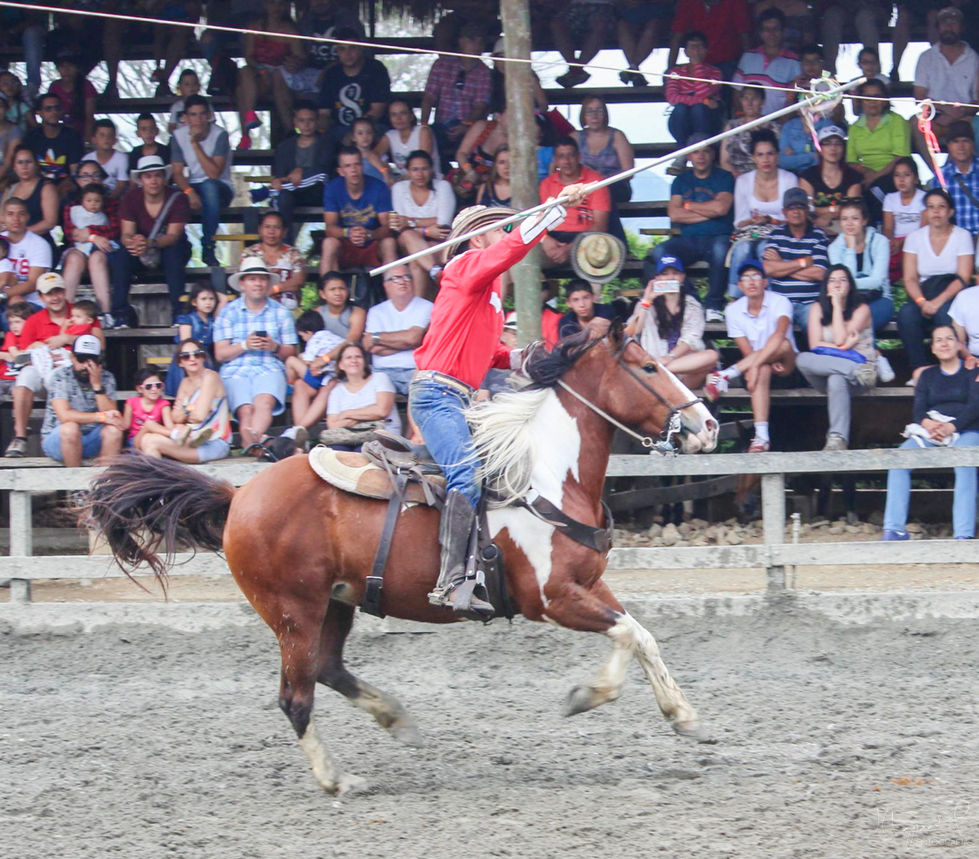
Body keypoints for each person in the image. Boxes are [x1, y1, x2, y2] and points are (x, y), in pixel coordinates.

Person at [410, 195, 583, 618]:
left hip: (458, 398)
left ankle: (483, 566)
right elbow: (507, 251)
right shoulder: (462, 268)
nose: (505, 235)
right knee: (466, 474)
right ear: (475, 238)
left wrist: (529, 356)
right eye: (497, 228)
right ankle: (451, 581)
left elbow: (492, 356)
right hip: (437, 396)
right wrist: (552, 212)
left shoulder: (485, 300)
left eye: (508, 228)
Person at [881, 325, 979, 541]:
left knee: (965, 461)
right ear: (933, 348)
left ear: (958, 344)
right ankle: (894, 529)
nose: (944, 343)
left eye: (949, 338)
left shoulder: (973, 371)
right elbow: (918, 409)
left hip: (965, 429)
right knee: (899, 460)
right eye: (938, 340)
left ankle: (963, 533)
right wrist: (928, 423)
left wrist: (951, 427)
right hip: (932, 430)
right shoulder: (927, 375)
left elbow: (975, 406)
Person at [705, 259, 798, 452]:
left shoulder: (781, 301)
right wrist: (758, 365)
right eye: (746, 278)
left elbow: (780, 334)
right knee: (762, 370)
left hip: (785, 365)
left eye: (756, 276)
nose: (752, 281)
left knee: (783, 344)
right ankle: (761, 437)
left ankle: (725, 375)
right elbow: (748, 352)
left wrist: (754, 365)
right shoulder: (733, 310)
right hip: (759, 366)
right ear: (739, 285)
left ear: (765, 281)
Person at [213, 258, 298, 453]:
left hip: (269, 366)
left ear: (268, 283)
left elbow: (291, 352)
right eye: (252, 279)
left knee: (264, 402)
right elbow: (220, 354)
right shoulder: (228, 312)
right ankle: (257, 444)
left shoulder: (281, 312)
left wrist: (274, 346)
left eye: (261, 279)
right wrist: (244, 345)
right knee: (246, 410)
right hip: (235, 369)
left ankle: (250, 443)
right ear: (242, 284)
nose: (258, 284)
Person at [796, 265, 877, 451]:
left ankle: (837, 439)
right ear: (826, 285)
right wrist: (846, 347)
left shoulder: (861, 309)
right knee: (801, 358)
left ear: (850, 285)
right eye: (832, 280)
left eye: (842, 280)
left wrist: (837, 306)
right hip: (852, 371)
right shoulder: (816, 308)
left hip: (860, 376)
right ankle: (854, 371)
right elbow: (815, 345)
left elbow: (839, 338)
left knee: (836, 379)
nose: (837, 284)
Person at [653, 135, 734, 321]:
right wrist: (709, 212)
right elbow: (674, 214)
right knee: (661, 252)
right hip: (688, 240)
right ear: (688, 155)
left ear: (713, 154)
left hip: (717, 236)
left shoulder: (724, 177)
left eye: (705, 151)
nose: (701, 156)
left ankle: (713, 305)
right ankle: (692, 299)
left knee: (721, 251)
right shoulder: (681, 181)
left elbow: (721, 208)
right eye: (696, 151)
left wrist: (688, 206)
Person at [898, 188, 975, 382]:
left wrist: (936, 303)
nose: (936, 212)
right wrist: (922, 302)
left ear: (950, 211)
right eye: (931, 207)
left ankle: (951, 371)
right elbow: (909, 278)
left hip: (952, 293)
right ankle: (920, 370)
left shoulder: (962, 236)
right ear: (925, 212)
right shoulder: (914, 238)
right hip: (924, 293)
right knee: (907, 315)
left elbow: (963, 277)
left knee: (945, 315)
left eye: (941, 207)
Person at [3, 271, 76, 457]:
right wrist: (42, 349)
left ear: (64, 292)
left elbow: (97, 344)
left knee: (58, 376)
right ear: (41, 297)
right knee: (24, 378)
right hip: (42, 369)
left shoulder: (78, 313)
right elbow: (24, 358)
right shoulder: (34, 320)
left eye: (58, 291)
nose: (54, 297)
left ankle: (60, 436)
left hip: (71, 373)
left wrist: (67, 338)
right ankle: (20, 437)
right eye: (49, 293)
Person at [625, 256, 719, 388]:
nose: (670, 277)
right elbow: (634, 331)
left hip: (680, 371)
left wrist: (670, 358)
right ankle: (656, 370)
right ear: (657, 278)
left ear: (682, 277)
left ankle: (657, 369)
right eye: (665, 274)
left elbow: (690, 339)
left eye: (675, 273)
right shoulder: (647, 304)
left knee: (711, 355)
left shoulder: (692, 305)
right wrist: (646, 301)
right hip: (654, 370)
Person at [120, 155, 192, 323]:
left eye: (158, 175)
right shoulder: (130, 198)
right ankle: (120, 313)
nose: (153, 181)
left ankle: (178, 314)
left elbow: (174, 236)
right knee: (121, 256)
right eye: (148, 176)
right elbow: (126, 233)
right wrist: (133, 244)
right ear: (140, 180)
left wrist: (149, 243)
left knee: (173, 253)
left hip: (169, 247)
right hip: (140, 251)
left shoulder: (178, 198)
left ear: (164, 178)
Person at [141, 338, 233, 463]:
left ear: (203, 357)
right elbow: (176, 418)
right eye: (186, 356)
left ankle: (156, 481)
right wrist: (190, 411)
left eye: (197, 354)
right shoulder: (184, 383)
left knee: (151, 441)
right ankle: (158, 480)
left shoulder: (210, 377)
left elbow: (199, 416)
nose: (192, 359)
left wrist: (185, 411)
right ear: (180, 363)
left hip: (215, 442)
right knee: (147, 438)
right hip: (191, 438)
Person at [728, 130, 797, 295]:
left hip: (779, 233)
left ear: (777, 156)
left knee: (765, 250)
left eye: (770, 154)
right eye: (760, 155)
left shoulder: (789, 179)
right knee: (742, 249)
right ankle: (734, 297)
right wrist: (753, 221)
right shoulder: (744, 181)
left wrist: (771, 220)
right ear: (753, 158)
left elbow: (795, 218)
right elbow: (739, 222)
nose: (765, 159)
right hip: (750, 232)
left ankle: (772, 296)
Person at [40, 333, 123, 466]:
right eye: (81, 359)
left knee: (114, 430)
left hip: (91, 438)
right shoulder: (60, 376)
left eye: (92, 360)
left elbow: (112, 415)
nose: (86, 366)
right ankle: (75, 485)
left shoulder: (107, 378)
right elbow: (65, 415)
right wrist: (100, 417)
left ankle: (104, 482)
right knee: (70, 428)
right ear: (72, 358)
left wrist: (97, 385)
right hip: (59, 439)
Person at [170, 95, 233, 267]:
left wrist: (195, 144)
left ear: (208, 116)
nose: (198, 119)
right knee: (170, 195)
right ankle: (178, 245)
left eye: (201, 114)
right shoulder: (177, 135)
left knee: (209, 186)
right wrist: (189, 192)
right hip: (193, 185)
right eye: (193, 115)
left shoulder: (220, 134)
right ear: (186, 117)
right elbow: (177, 172)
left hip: (221, 187)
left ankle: (208, 245)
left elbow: (213, 173)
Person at [912, 7, 979, 164]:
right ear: (938, 27)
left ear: (961, 27)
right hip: (937, 117)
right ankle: (938, 177)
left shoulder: (974, 58)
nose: (949, 27)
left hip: (965, 118)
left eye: (954, 23)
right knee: (916, 124)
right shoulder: (926, 57)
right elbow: (919, 97)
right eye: (944, 23)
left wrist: (961, 110)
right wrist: (944, 110)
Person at [420, 22, 492, 163]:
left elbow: (480, 106)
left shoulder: (484, 72)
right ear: (460, 41)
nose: (476, 46)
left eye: (480, 42)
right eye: (471, 40)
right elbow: (429, 97)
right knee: (427, 146)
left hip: (468, 127)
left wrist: (465, 125)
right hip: (440, 125)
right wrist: (423, 126)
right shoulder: (442, 64)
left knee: (474, 150)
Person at [234, 0, 301, 150]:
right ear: (265, 5)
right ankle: (249, 120)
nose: (276, 8)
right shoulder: (254, 27)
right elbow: (249, 56)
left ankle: (248, 133)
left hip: (281, 78)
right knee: (244, 72)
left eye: (280, 4)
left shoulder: (290, 30)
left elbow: (300, 57)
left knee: (242, 91)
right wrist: (261, 70)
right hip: (259, 76)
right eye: (272, 3)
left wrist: (294, 62)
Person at [319, 146, 396, 275]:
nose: (354, 170)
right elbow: (329, 228)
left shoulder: (379, 187)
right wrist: (348, 232)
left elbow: (387, 227)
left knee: (389, 243)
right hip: (345, 242)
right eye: (348, 166)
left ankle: (393, 291)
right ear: (341, 171)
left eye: (357, 164)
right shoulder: (332, 188)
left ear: (362, 166)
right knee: (329, 243)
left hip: (373, 241)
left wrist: (370, 234)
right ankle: (328, 291)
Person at [388, 150, 455, 298]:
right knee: (407, 234)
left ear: (431, 170)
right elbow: (400, 226)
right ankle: (434, 270)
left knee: (416, 263)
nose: (420, 174)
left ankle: (418, 310)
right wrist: (427, 231)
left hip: (437, 243)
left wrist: (410, 222)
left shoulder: (443, 186)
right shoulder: (399, 188)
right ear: (408, 171)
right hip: (407, 242)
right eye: (415, 169)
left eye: (424, 169)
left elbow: (443, 223)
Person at [761, 187, 830, 329]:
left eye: (800, 207)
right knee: (773, 330)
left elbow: (819, 273)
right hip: (781, 302)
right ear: (784, 212)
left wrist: (781, 265)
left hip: (811, 303)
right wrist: (803, 262)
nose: (796, 212)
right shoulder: (776, 234)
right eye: (791, 208)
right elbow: (768, 268)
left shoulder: (818, 235)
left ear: (807, 211)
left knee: (816, 327)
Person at [538, 136, 611, 267]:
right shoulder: (546, 184)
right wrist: (546, 240)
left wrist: (569, 249)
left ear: (578, 156)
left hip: (586, 239)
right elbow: (541, 220)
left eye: (570, 155)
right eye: (561, 156)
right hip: (553, 239)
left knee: (597, 255)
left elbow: (600, 226)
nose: (566, 161)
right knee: (525, 256)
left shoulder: (595, 181)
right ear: (555, 160)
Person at [362, 263, 433, 396]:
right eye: (396, 278)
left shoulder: (426, 307)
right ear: (386, 285)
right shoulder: (376, 311)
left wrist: (376, 337)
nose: (402, 281)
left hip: (415, 370)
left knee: (424, 394)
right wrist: (411, 344)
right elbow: (370, 347)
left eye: (407, 277)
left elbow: (413, 338)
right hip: (382, 372)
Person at [846, 79, 910, 221]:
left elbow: (900, 156)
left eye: (877, 97)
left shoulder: (896, 121)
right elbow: (851, 161)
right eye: (867, 98)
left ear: (885, 100)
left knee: (876, 189)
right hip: (865, 173)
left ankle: (878, 225)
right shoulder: (855, 127)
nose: (872, 102)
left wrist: (875, 176)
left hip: (893, 172)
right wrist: (867, 172)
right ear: (861, 101)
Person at [269, 102, 333, 243]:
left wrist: (301, 171)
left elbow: (324, 171)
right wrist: (280, 180)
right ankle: (286, 244)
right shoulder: (285, 146)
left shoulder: (326, 143)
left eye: (310, 120)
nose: (306, 125)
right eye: (301, 121)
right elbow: (280, 174)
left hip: (317, 192)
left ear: (317, 122)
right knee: (283, 197)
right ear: (295, 123)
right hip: (293, 192)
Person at [828, 197, 894, 333]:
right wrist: (851, 249)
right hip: (848, 301)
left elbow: (877, 281)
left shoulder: (880, 242)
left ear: (864, 220)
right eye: (844, 219)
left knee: (859, 323)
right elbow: (844, 279)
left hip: (879, 299)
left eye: (855, 218)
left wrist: (849, 283)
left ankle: (868, 354)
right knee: (850, 322)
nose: (849, 223)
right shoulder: (834, 248)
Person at [316, 30, 391, 145]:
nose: (347, 54)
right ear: (337, 51)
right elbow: (324, 112)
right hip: (339, 128)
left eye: (352, 48)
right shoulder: (331, 74)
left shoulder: (376, 69)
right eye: (342, 49)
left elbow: (377, 111)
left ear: (360, 48)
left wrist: (354, 134)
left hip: (372, 127)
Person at [664, 30, 724, 173]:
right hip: (682, 120)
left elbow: (705, 92)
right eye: (692, 46)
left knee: (699, 108)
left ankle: (703, 150)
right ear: (686, 51)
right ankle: (682, 153)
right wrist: (702, 100)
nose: (696, 50)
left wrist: (698, 66)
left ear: (706, 50)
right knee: (681, 109)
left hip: (706, 119)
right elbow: (672, 97)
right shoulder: (675, 72)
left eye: (700, 46)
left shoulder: (715, 72)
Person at [282, 309, 344, 443]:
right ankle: (300, 435)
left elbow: (308, 362)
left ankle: (290, 383)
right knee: (301, 383)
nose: (304, 340)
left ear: (308, 332)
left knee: (291, 360)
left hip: (325, 378)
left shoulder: (316, 339)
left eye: (303, 336)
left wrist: (300, 360)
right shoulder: (332, 337)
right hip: (332, 376)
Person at [732, 9, 801, 117]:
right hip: (746, 123)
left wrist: (780, 125)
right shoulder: (748, 57)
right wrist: (742, 119)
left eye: (776, 29)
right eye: (766, 29)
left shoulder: (794, 62)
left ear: (784, 31)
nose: (771, 33)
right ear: (760, 33)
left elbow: (792, 100)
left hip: (777, 124)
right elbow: (736, 92)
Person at [60, 183, 115, 319]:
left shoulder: (105, 215)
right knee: (74, 259)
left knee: (97, 258)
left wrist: (89, 233)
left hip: (98, 254)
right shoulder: (73, 210)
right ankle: (65, 313)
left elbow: (113, 231)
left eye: (97, 201)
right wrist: (94, 236)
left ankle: (105, 313)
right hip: (78, 251)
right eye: (89, 201)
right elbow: (72, 233)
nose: (93, 204)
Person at [797, 126, 862, 237]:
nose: (833, 148)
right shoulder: (808, 176)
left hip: (845, 227)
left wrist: (825, 213)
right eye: (827, 143)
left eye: (838, 143)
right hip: (814, 225)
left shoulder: (853, 177)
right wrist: (835, 209)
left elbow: (852, 210)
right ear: (820, 148)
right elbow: (805, 209)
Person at [325, 341, 401, 434]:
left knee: (363, 448)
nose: (354, 360)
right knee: (336, 447)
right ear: (341, 365)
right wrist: (365, 414)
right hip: (347, 437)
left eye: (358, 356)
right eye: (348, 357)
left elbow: (382, 411)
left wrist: (346, 414)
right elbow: (332, 425)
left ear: (364, 361)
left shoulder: (380, 378)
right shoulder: (337, 391)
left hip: (382, 435)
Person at [240, 210, 307, 311]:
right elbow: (244, 282)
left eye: (277, 227)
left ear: (284, 231)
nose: (271, 231)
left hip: (288, 309)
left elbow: (298, 281)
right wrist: (284, 286)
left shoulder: (293, 253)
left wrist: (274, 289)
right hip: (255, 307)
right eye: (267, 227)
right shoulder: (250, 253)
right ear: (260, 229)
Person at [669, 0, 751, 80]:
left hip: (729, 63)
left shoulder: (735, 2)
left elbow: (744, 37)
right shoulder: (688, 2)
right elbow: (677, 37)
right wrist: (670, 70)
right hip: (698, 61)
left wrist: (749, 72)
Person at [577, 96, 635, 205]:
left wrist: (601, 180)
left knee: (602, 193)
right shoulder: (575, 137)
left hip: (614, 186)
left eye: (599, 111)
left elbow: (629, 172)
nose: (594, 116)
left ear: (605, 114)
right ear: (583, 115)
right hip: (584, 186)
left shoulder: (617, 136)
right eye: (589, 111)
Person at [21, 92, 83, 194]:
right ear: (39, 113)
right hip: (37, 186)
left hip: (65, 187)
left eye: (57, 108)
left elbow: (75, 171)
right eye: (48, 109)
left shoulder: (72, 136)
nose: (54, 112)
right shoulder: (31, 137)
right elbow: (27, 169)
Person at [166, 281, 218, 396]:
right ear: (194, 302)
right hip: (187, 358)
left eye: (211, 299)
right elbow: (186, 344)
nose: (208, 302)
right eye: (203, 299)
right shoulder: (187, 319)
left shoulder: (212, 321)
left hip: (204, 359)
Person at [551, 0, 616, 88]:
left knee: (600, 24)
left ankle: (575, 69)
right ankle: (576, 69)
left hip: (603, 6)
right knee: (557, 24)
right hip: (575, 7)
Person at [1, 196, 52, 306]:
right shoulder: (1, 239)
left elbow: (32, 284)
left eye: (21, 213)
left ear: (28, 217)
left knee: (16, 302)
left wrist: (2, 295)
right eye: (10, 214)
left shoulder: (39, 244)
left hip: (31, 303)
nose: (16, 218)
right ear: (3, 217)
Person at [882, 156, 926, 281]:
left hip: (917, 242)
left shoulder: (924, 198)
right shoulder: (890, 198)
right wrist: (890, 242)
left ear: (916, 178)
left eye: (906, 175)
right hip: (895, 242)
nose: (901, 179)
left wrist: (902, 242)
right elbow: (888, 228)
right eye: (897, 175)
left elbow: (923, 231)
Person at [1, 146, 58, 242]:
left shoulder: (46, 188)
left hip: (38, 241)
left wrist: (22, 233)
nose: (24, 166)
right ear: (14, 167)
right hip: (12, 242)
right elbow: (2, 218)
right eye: (20, 162)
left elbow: (50, 222)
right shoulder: (10, 189)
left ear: (36, 164)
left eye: (28, 162)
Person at [375, 99, 440, 182]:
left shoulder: (423, 131)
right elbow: (373, 155)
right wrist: (385, 172)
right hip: (404, 184)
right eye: (394, 115)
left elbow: (422, 162)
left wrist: (399, 181)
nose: (398, 118)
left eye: (403, 113)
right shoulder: (390, 135)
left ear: (411, 116)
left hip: (429, 182)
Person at [719, 86, 777, 177]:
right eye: (746, 98)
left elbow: (777, 160)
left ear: (762, 101)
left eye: (754, 99)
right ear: (741, 101)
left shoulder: (773, 128)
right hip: (736, 178)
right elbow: (724, 161)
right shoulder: (731, 127)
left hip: (766, 177)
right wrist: (741, 179)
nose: (750, 103)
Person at [934, 121, 979, 236]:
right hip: (953, 240)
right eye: (955, 142)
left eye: (965, 141)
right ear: (948, 145)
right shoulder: (940, 177)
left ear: (972, 144)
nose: (961, 147)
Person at [618, 0, 675, 85]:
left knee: (652, 28)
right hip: (633, 12)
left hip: (658, 12)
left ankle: (633, 69)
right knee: (622, 26)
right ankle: (634, 69)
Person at [48, 51, 96, 143]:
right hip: (60, 134)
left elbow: (89, 117)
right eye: (62, 66)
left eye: (70, 65)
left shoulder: (86, 85)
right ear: (58, 69)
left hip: (82, 133)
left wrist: (87, 141)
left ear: (77, 68)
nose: (66, 70)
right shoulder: (54, 86)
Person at [124, 367, 172, 451]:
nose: (154, 389)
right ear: (139, 389)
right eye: (148, 386)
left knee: (151, 429)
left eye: (158, 385)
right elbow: (125, 425)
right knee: (149, 425)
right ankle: (177, 435)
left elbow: (169, 426)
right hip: (135, 440)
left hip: (155, 438)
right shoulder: (131, 402)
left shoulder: (164, 404)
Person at [80, 119, 129, 199]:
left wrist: (107, 202)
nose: (106, 138)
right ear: (94, 139)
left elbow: (121, 185)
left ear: (115, 140)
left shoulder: (121, 158)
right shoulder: (87, 159)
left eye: (110, 135)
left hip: (114, 201)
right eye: (102, 135)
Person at [166, 68, 202, 132]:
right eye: (187, 84)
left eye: (194, 83)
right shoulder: (176, 107)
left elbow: (211, 123)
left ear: (199, 86)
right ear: (179, 87)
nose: (191, 87)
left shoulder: (205, 105)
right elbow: (171, 127)